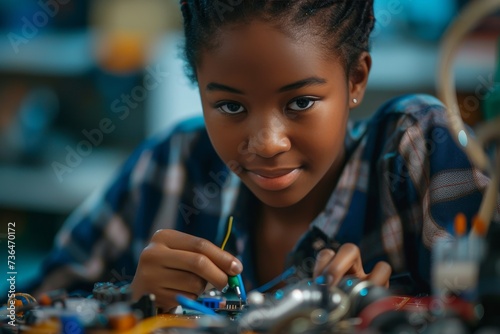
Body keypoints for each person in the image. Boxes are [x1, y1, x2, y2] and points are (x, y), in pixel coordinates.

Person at [26, 0, 499, 312]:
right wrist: (131, 302)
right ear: (198, 85)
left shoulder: (413, 147)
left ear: (355, 79)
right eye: (231, 106)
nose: (267, 143)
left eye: (300, 103)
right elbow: (17, 305)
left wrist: (395, 312)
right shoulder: (170, 166)